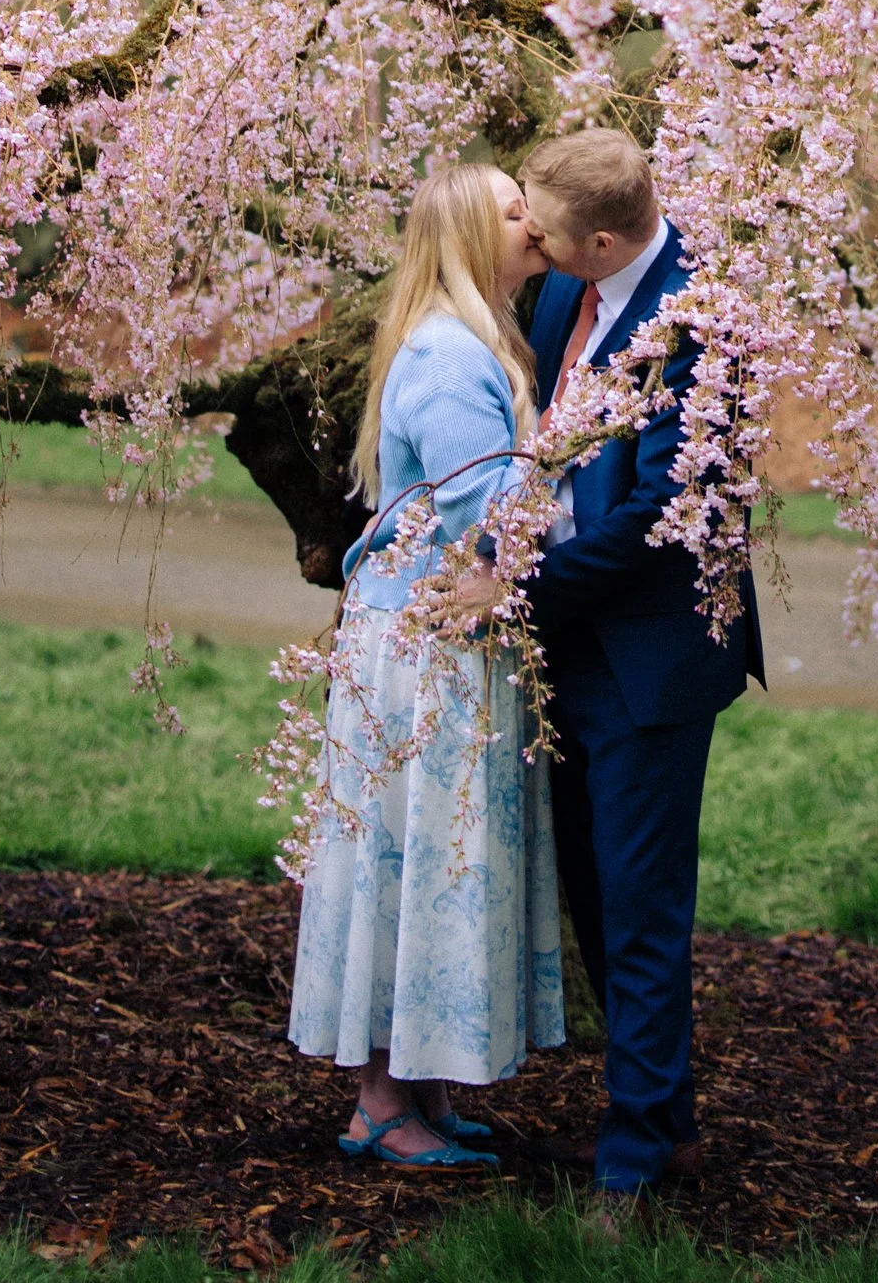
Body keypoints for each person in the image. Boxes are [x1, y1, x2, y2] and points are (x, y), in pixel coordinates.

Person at [288, 164, 564, 1167]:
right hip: (426, 651)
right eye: (510, 209)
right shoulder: (451, 357)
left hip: (426, 642)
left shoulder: (473, 339)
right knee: (409, 862)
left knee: (414, 861)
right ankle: (380, 1103)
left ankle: (408, 1090)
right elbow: (487, 518)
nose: (533, 219)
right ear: (462, 237)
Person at [513, 129, 765, 1206]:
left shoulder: (703, 322)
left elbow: (662, 513)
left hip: (646, 657)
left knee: (639, 898)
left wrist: (520, 591)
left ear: (604, 239)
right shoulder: (554, 297)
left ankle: (633, 1152)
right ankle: (664, 1117)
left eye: (541, 227)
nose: (524, 235)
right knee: (589, 888)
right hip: (563, 640)